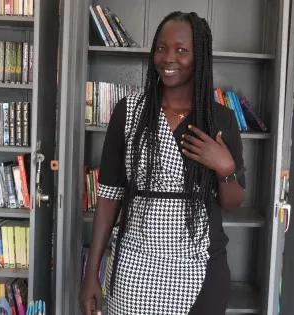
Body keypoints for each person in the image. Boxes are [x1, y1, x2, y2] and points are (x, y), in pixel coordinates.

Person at [79, 11, 246, 315]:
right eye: (161, 48)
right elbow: (108, 198)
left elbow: (233, 202)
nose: (168, 58)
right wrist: (92, 274)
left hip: (200, 264)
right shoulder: (128, 112)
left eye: (182, 50)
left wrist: (225, 169)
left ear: (200, 56)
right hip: (136, 262)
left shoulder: (220, 119)